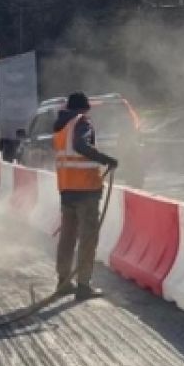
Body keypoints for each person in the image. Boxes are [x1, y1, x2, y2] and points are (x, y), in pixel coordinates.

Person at [53, 92, 118, 301]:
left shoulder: (60, 125)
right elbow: (81, 146)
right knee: (88, 237)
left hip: (66, 189)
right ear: (85, 108)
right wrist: (106, 159)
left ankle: (63, 281)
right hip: (86, 190)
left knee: (68, 237)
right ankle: (83, 285)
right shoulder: (81, 123)